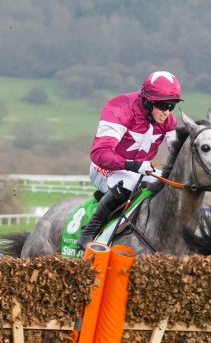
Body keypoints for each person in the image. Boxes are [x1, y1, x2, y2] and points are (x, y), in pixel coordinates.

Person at [77, 71, 183, 249]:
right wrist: (132, 165)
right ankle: (89, 232)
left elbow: (176, 151)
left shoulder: (166, 118)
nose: (166, 112)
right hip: (105, 168)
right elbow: (100, 153)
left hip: (141, 169)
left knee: (169, 185)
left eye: (171, 105)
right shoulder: (119, 108)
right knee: (128, 182)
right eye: (162, 105)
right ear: (147, 100)